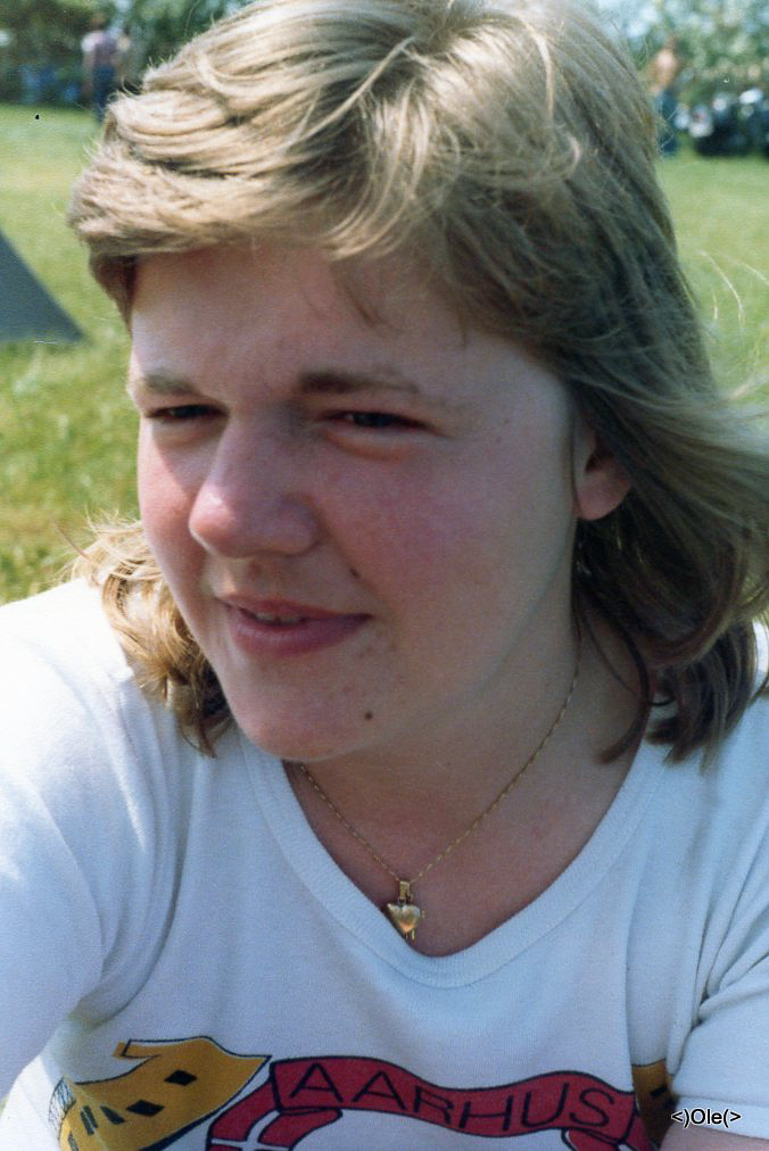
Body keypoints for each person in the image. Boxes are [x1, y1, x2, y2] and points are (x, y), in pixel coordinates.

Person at [1, 1, 768, 1148]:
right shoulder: (65, 729)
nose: (226, 514)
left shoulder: (743, 801)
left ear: (603, 441)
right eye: (182, 410)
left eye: (363, 417)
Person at [81, 13, 125, 121]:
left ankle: (99, 116)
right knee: (106, 93)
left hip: (97, 68)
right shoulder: (111, 39)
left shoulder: (92, 38)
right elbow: (118, 56)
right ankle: (105, 114)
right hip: (110, 69)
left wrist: (87, 71)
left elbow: (90, 56)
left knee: (98, 92)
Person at [649, 36, 684, 156]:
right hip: (659, 91)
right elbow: (652, 72)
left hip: (671, 92)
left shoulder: (678, 58)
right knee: (658, 120)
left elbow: (679, 76)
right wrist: (654, 86)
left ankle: (670, 150)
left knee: (671, 121)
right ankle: (657, 147)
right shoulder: (660, 57)